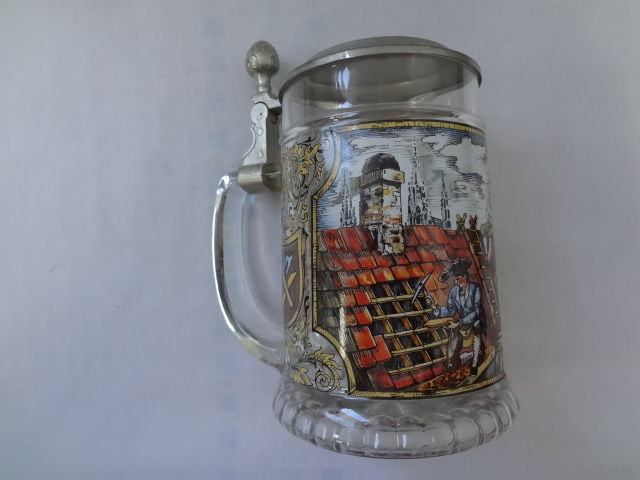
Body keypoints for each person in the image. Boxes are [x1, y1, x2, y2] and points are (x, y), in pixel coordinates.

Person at [423, 258, 484, 376]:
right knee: (451, 354)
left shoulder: (475, 288)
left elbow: (477, 311)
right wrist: (435, 307)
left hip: (474, 321)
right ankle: (453, 365)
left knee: (477, 330)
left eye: (457, 279)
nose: (455, 282)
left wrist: (460, 322)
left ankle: (474, 365)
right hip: (460, 324)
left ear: (464, 277)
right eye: (454, 280)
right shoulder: (454, 291)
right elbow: (450, 309)